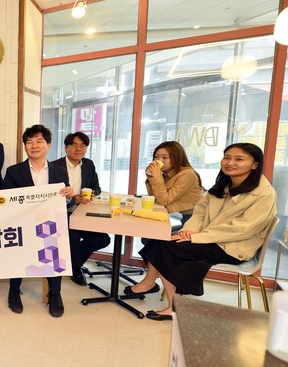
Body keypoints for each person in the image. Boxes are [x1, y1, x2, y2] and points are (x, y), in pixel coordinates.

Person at [130, 143, 277, 321]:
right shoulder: (224, 185)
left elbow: (241, 229)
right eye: (227, 158)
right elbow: (200, 212)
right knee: (160, 240)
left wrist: (196, 237)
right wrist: (188, 231)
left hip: (232, 247)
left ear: (255, 164)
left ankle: (172, 305)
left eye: (239, 159)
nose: (230, 163)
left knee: (168, 246)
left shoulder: (264, 194)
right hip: (210, 238)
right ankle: (166, 297)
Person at [3, 125, 74, 317]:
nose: (34, 146)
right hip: (23, 225)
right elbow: (4, 201)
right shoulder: (13, 171)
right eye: (29, 142)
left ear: (48, 145)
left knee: (54, 255)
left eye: (39, 141)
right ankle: (14, 291)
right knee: (18, 256)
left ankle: (55, 295)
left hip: (51, 224)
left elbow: (67, 200)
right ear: (25, 146)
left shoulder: (59, 172)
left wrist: (69, 196)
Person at [51, 132, 110, 286]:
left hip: (84, 213)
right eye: (74, 145)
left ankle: (72, 263)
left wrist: (91, 193)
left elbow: (96, 187)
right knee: (74, 235)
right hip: (62, 213)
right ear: (66, 147)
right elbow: (51, 195)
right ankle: (76, 268)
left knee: (103, 239)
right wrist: (73, 198)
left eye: (82, 146)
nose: (78, 149)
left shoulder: (89, 164)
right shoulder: (54, 166)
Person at [144, 141, 204, 229]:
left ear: (176, 158)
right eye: (156, 157)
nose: (159, 161)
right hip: (186, 217)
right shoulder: (166, 173)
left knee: (158, 236)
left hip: (198, 220)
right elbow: (156, 199)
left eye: (165, 157)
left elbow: (164, 201)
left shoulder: (187, 174)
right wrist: (151, 177)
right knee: (153, 234)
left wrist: (157, 177)